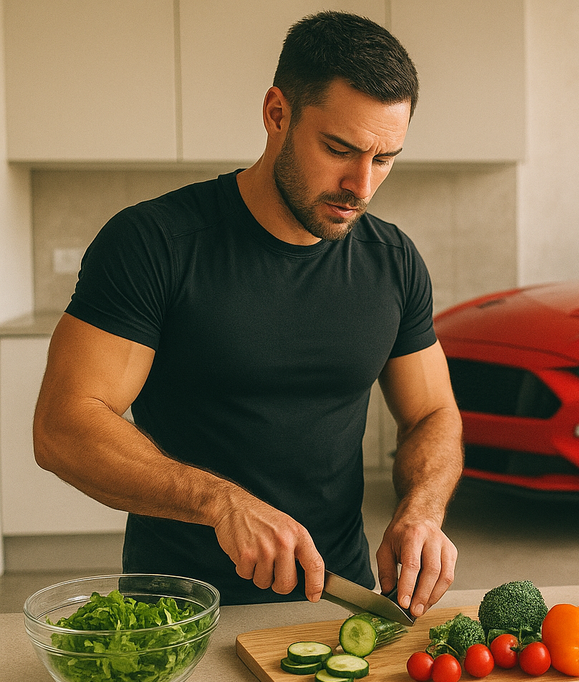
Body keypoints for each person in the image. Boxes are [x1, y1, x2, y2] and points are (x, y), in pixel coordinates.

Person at [31, 11, 462, 615]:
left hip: (335, 602)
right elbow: (62, 427)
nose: (360, 185)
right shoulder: (154, 243)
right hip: (177, 609)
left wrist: (422, 509)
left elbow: (432, 412)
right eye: (339, 149)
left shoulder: (393, 261)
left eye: (385, 158)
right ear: (276, 113)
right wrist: (219, 502)